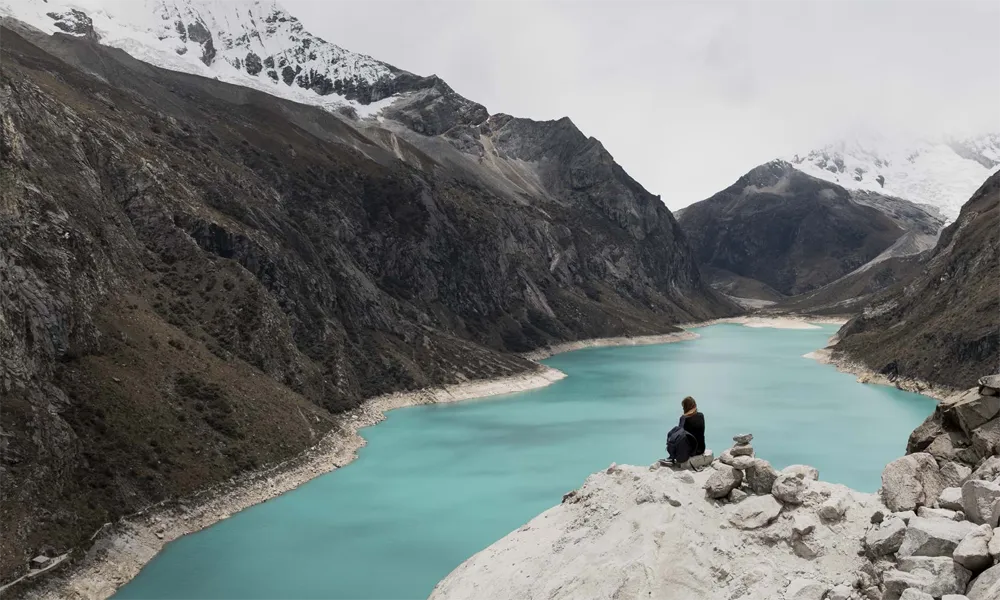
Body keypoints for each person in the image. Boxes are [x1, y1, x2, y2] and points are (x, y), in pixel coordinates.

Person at [663, 396, 706, 466]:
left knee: (674, 434)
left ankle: (671, 457)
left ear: (685, 408)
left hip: (691, 451)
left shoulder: (683, 418)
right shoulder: (701, 415)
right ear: (695, 405)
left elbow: (678, 436)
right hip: (701, 448)